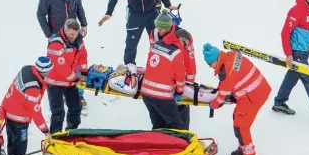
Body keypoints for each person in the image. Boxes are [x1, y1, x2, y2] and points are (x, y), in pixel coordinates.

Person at [202, 43, 272, 155]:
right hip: (257, 88)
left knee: (241, 126)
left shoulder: (226, 72)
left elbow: (223, 94)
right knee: (237, 119)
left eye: (210, 64)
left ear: (216, 60)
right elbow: (228, 82)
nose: (210, 67)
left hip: (252, 96)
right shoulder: (230, 56)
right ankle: (243, 146)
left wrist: (213, 104)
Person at [1, 56, 53, 155]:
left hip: (9, 111)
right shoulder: (33, 89)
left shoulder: (28, 69)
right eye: (49, 71)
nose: (50, 73)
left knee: (12, 145)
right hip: (19, 119)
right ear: (43, 71)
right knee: (20, 149)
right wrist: (45, 130)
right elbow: (36, 112)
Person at [98, 0, 178, 66]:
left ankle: (163, 66)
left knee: (159, 41)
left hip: (152, 12)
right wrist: (109, 12)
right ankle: (129, 68)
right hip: (135, 14)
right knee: (131, 44)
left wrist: (168, 4)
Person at [148, 9, 197, 129]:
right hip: (162, 81)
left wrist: (188, 83)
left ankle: (182, 136)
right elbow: (154, 55)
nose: (158, 31)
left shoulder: (184, 37)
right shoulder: (154, 34)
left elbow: (190, 61)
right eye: (157, 28)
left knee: (180, 114)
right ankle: (161, 137)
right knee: (159, 114)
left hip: (179, 79)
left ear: (169, 27)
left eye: (161, 29)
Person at [87, 63, 218, 103]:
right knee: (179, 87)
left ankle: (208, 91)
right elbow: (132, 90)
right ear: (98, 74)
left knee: (178, 80)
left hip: (149, 78)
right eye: (98, 67)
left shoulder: (114, 72)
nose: (101, 65)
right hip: (147, 85)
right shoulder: (112, 81)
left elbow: (136, 71)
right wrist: (132, 72)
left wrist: (137, 69)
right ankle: (210, 97)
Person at [45, 19, 88, 133]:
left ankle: (71, 132)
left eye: (75, 34)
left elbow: (83, 56)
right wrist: (74, 78)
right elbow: (60, 65)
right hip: (54, 82)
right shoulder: (56, 43)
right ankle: (55, 137)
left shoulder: (79, 40)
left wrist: (83, 72)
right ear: (65, 30)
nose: (73, 37)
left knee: (76, 107)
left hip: (70, 81)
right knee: (58, 112)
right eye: (71, 34)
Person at [139, 27, 186, 130]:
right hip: (162, 96)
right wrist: (179, 92)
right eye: (184, 43)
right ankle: (180, 145)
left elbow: (152, 66)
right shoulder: (176, 52)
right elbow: (180, 77)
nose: (185, 47)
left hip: (146, 93)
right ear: (179, 40)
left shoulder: (156, 45)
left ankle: (157, 144)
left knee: (158, 125)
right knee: (178, 127)